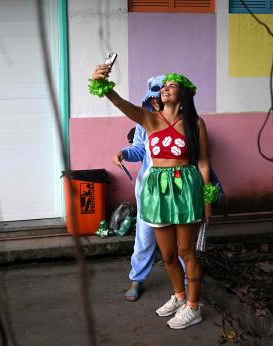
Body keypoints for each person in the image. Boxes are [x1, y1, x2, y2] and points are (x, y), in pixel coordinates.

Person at [90, 62, 219, 329]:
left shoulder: (195, 123)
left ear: (184, 94)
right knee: (168, 254)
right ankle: (180, 297)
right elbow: (121, 104)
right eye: (164, 86)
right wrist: (101, 83)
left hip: (185, 188)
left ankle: (194, 306)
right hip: (155, 191)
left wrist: (207, 198)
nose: (166, 89)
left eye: (173, 85)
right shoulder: (149, 119)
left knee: (186, 251)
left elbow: (204, 163)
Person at [112, 75, 165, 302]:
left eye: (159, 98)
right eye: (152, 99)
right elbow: (139, 150)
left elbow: (198, 158)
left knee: (180, 240)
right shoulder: (145, 122)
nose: (156, 103)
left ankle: (184, 285)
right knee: (144, 235)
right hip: (149, 190)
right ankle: (137, 279)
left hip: (178, 189)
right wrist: (123, 153)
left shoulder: (188, 122)